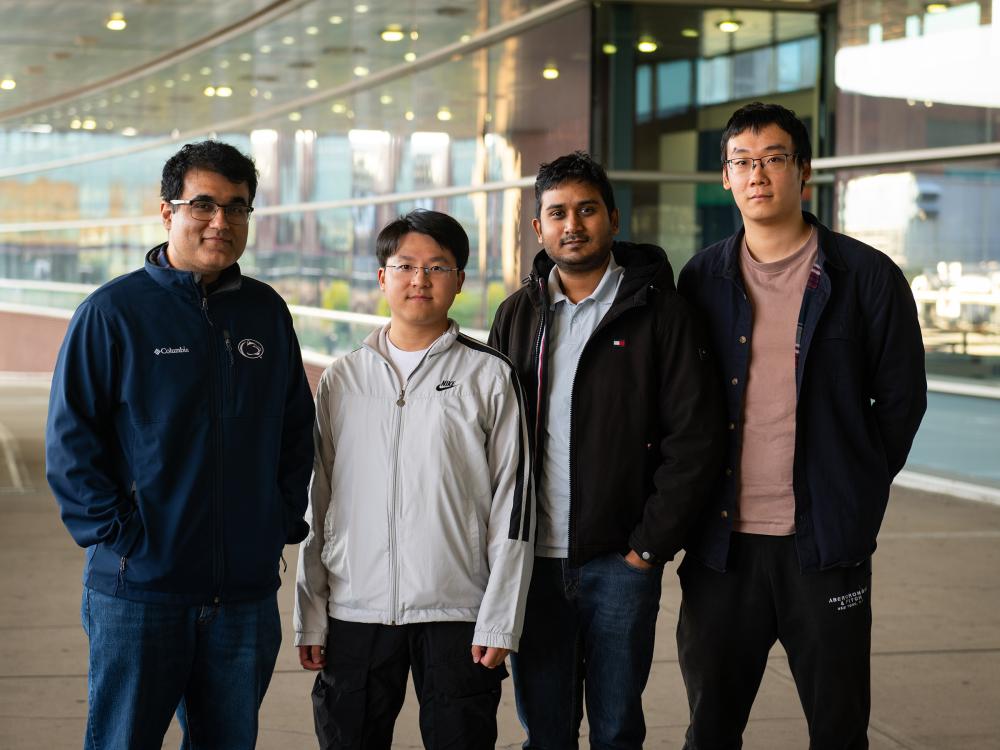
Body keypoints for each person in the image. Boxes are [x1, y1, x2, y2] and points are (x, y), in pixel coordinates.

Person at [45, 140, 315, 749]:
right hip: (141, 590)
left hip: (243, 594)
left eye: (238, 207)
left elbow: (296, 427)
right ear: (167, 212)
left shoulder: (266, 313)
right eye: (204, 205)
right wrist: (122, 537)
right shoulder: (113, 313)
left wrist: (276, 521)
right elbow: (71, 442)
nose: (221, 221)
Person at [676, 101, 927, 749]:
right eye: (742, 162)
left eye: (774, 159)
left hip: (825, 548)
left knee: (839, 729)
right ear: (725, 178)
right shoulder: (701, 278)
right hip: (720, 549)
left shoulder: (866, 277)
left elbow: (901, 403)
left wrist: (855, 483)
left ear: (804, 173)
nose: (757, 174)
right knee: (710, 728)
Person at [488, 151, 724, 748]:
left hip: (620, 561)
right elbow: (488, 434)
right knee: (545, 731)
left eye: (587, 209)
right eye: (558, 213)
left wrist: (646, 549)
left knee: (617, 730)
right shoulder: (517, 314)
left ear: (613, 220)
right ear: (537, 227)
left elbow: (694, 440)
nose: (573, 224)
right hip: (533, 563)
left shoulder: (661, 313)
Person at [294, 209, 534, 749]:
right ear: (383, 278)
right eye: (405, 265)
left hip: (457, 611)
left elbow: (514, 506)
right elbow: (318, 498)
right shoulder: (343, 378)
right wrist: (311, 615)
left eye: (437, 267)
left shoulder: (490, 375)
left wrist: (500, 620)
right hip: (356, 610)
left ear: (460, 280)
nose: (419, 279)